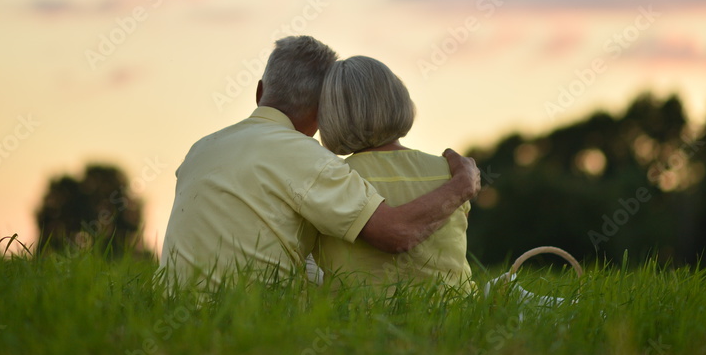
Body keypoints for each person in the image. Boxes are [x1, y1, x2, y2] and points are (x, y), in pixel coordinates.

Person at [159, 36, 480, 289]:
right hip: (251, 317)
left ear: (260, 92)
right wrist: (462, 185)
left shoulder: (201, 148)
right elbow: (396, 233)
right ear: (323, 107)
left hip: (175, 310)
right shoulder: (306, 156)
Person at [314, 56, 474, 292]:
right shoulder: (451, 171)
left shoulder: (332, 178)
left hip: (358, 320)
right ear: (399, 100)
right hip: (457, 317)